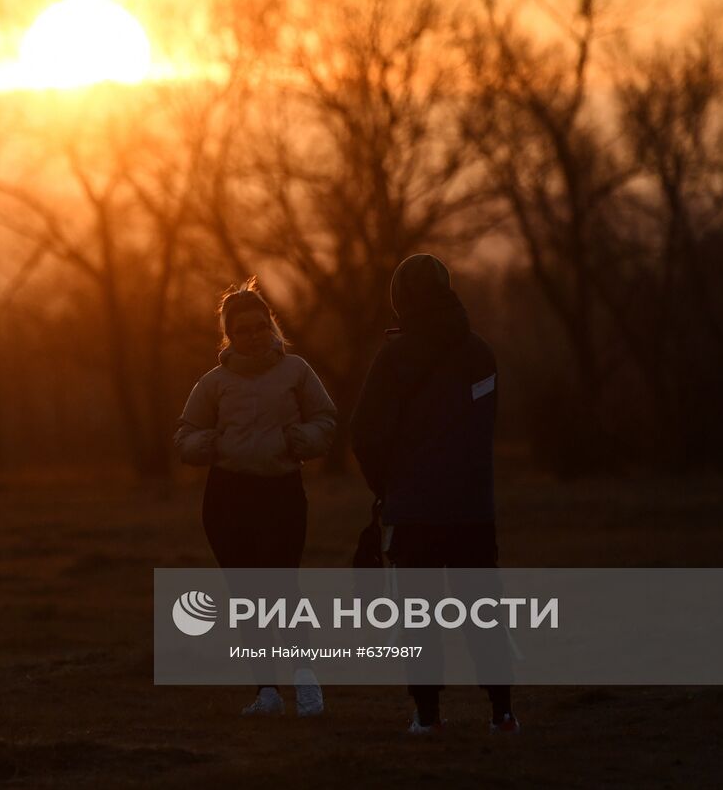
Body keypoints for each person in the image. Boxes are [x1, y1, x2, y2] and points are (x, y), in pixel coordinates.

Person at [349, 253, 520, 736]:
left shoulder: (395, 356)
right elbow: (481, 428)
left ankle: (427, 717)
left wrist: (386, 486)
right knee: (483, 610)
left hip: (416, 511)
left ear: (399, 298)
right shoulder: (481, 353)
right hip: (473, 507)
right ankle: (502, 713)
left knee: (419, 617)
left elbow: (364, 435)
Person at [174, 277, 337, 717]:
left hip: (280, 491)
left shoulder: (297, 371)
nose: (252, 335)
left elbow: (326, 419)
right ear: (229, 334)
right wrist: (200, 446)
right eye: (241, 329)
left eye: (259, 325)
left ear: (271, 325)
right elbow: (186, 433)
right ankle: (266, 690)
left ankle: (306, 679)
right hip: (227, 496)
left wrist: (300, 439)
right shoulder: (213, 382)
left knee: (283, 589)